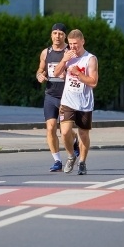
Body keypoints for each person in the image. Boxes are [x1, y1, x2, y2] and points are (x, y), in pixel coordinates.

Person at [53, 29, 98, 175]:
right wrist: (64, 60)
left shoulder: (90, 59)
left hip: (84, 103)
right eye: (71, 44)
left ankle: (83, 162)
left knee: (83, 134)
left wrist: (78, 73)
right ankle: (71, 156)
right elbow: (56, 73)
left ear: (82, 42)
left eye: (76, 44)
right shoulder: (68, 56)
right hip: (67, 101)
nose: (73, 47)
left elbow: (93, 82)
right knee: (65, 132)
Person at [36, 23, 79, 172]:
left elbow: (78, 72)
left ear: (65, 36)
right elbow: (40, 70)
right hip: (50, 95)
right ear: (51, 35)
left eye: (60, 33)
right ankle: (57, 161)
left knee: (65, 130)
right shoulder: (46, 52)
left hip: (66, 96)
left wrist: (67, 74)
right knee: (50, 128)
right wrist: (39, 76)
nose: (57, 36)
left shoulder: (70, 52)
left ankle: (74, 140)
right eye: (55, 33)